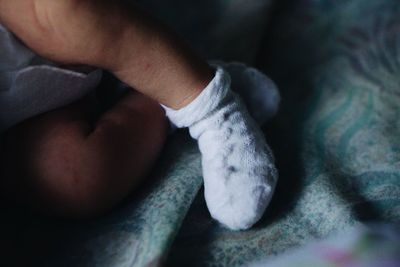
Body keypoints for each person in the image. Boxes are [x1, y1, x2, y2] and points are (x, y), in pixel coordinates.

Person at [0, 0, 278, 230]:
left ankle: (203, 100)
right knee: (73, 177)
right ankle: (153, 95)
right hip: (23, 102)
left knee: (59, 15)